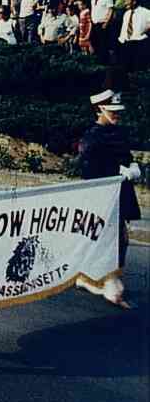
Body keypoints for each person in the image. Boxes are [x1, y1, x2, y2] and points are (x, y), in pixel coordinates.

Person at [76, 88, 139, 308]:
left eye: (117, 111)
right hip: (103, 195)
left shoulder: (117, 132)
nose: (116, 114)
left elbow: (126, 155)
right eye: (112, 111)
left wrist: (133, 167)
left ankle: (92, 278)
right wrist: (116, 171)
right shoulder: (92, 136)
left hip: (121, 192)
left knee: (118, 238)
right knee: (110, 238)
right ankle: (105, 281)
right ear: (100, 109)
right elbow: (87, 169)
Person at [116, 0, 150, 73]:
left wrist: (146, 32)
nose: (125, 3)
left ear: (134, 1)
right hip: (126, 43)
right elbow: (124, 28)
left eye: (127, 1)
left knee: (138, 69)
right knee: (126, 69)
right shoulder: (127, 13)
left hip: (139, 43)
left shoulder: (146, 12)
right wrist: (121, 40)